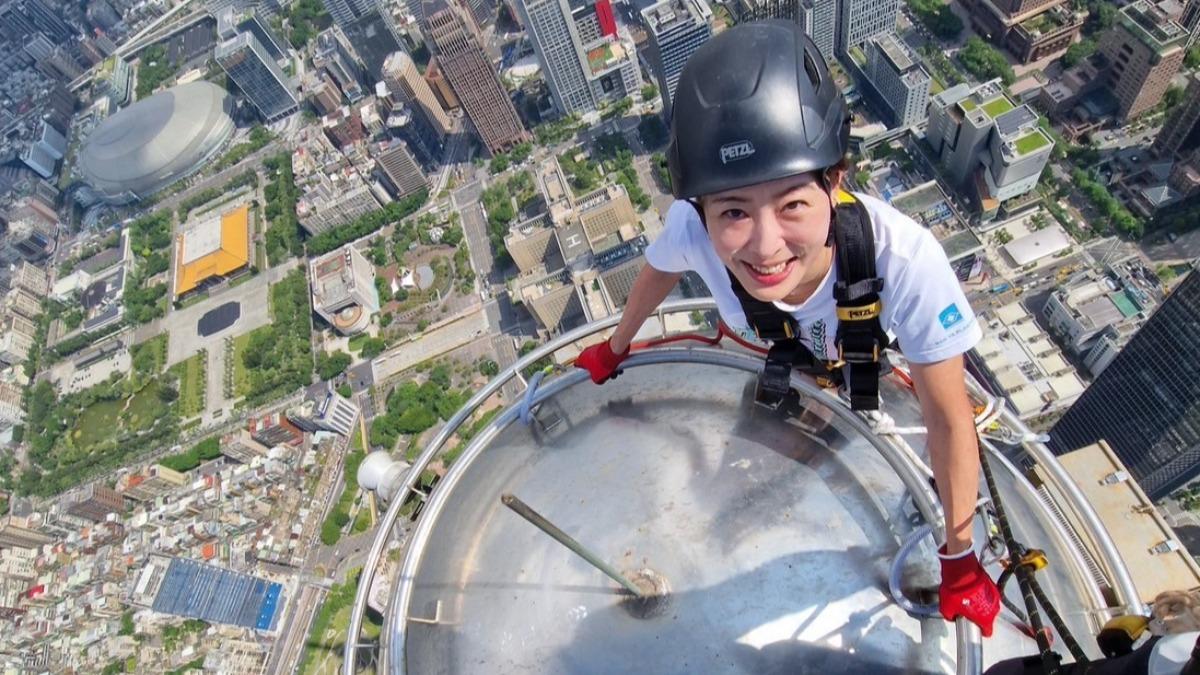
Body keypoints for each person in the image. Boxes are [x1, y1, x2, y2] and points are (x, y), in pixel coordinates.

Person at [574, 21, 1000, 636]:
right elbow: (658, 271)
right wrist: (614, 349)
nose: (766, 245)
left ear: (835, 180)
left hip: (859, 380)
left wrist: (958, 556)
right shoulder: (692, 231)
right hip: (774, 373)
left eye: (792, 203)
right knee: (725, 509)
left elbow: (948, 417)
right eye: (734, 211)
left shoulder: (903, 261)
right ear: (701, 210)